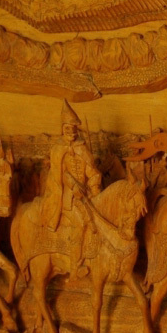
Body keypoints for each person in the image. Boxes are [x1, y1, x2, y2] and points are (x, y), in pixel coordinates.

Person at [41, 101, 102, 276]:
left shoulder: (82, 148)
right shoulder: (57, 149)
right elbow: (58, 174)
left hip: (86, 193)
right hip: (67, 197)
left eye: (73, 128)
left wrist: (95, 184)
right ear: (62, 129)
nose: (71, 132)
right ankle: (75, 268)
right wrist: (73, 186)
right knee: (80, 224)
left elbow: (91, 170)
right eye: (67, 128)